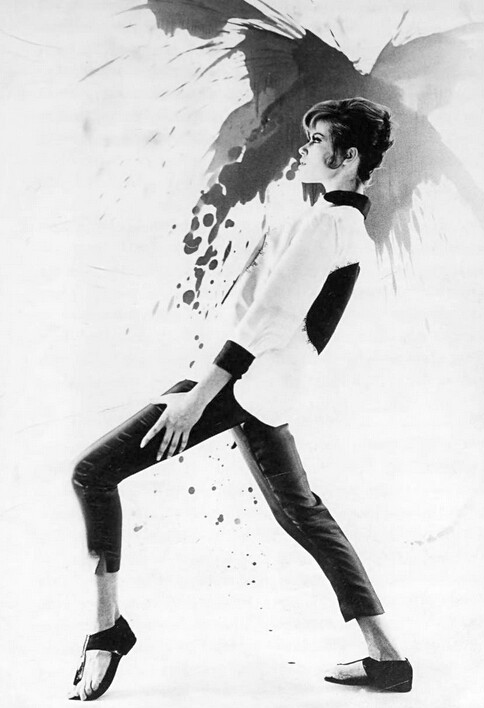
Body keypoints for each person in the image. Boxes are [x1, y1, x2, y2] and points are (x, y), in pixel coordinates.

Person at [68, 97, 413, 701]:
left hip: (241, 385)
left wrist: (196, 399)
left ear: (349, 156)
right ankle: (389, 659)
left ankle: (107, 631)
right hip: (264, 388)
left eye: (318, 140)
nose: (306, 147)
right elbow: (275, 312)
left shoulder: (331, 225)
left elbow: (269, 321)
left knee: (93, 473)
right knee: (303, 513)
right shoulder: (335, 221)